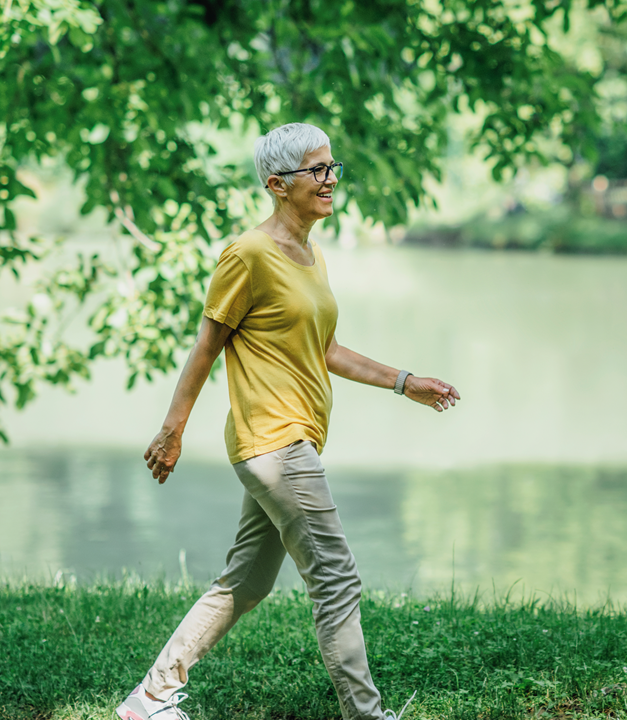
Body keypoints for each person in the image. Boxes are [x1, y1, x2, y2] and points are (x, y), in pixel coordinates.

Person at [115, 122, 460, 720]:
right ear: (278, 184)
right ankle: (366, 716)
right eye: (317, 171)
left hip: (291, 439)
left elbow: (323, 347)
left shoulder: (310, 253)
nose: (330, 180)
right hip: (273, 443)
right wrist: (172, 430)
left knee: (245, 583)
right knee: (337, 578)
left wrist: (406, 382)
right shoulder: (247, 255)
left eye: (332, 167)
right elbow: (206, 346)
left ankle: (150, 698)